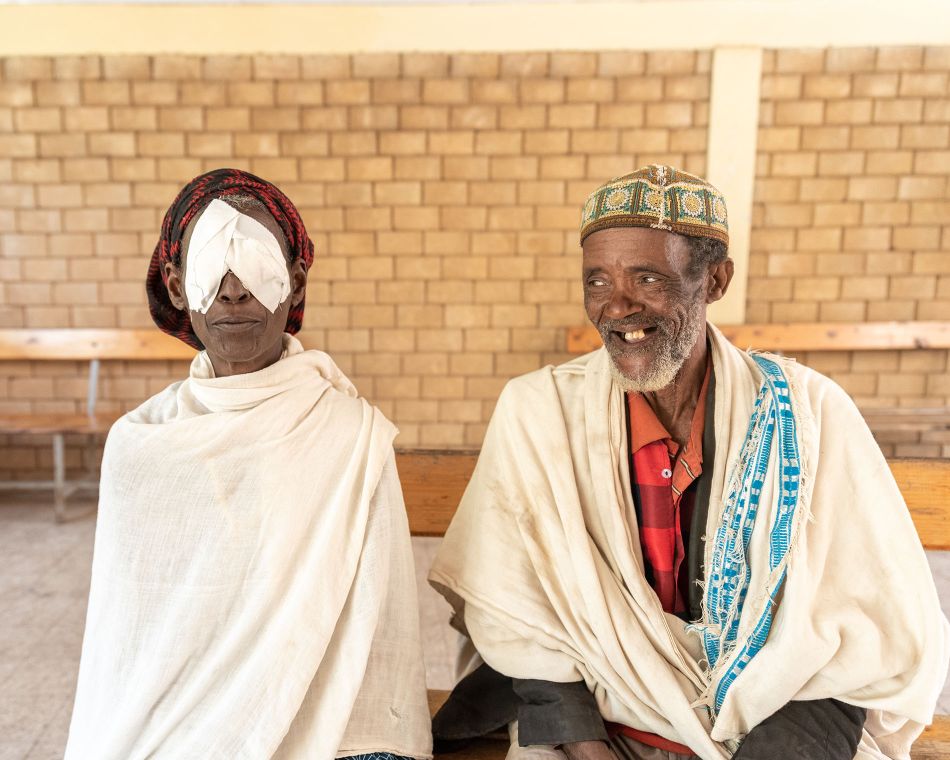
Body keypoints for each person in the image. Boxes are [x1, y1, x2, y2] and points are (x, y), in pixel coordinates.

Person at [428, 165, 949, 760]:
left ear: (717, 280)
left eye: (647, 278)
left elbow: (861, 630)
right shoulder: (539, 411)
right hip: (596, 729)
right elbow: (522, 616)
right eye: (596, 281)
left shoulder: (809, 413)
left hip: (774, 733)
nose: (616, 307)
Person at [65, 169, 432, 760]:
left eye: (257, 264)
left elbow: (374, 634)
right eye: (216, 264)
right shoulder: (140, 446)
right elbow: (128, 653)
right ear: (178, 286)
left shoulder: (347, 433)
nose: (235, 291)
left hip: (337, 729)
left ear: (294, 282)